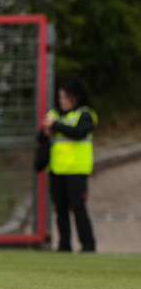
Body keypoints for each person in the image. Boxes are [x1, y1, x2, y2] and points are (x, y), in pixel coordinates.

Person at [42, 76, 97, 252]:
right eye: (60, 97)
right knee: (60, 210)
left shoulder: (85, 114)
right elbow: (42, 137)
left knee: (78, 208)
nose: (62, 101)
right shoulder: (53, 115)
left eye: (66, 97)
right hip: (57, 169)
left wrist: (56, 126)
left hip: (76, 170)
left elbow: (79, 132)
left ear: (76, 97)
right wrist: (46, 131)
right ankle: (64, 245)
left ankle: (88, 245)